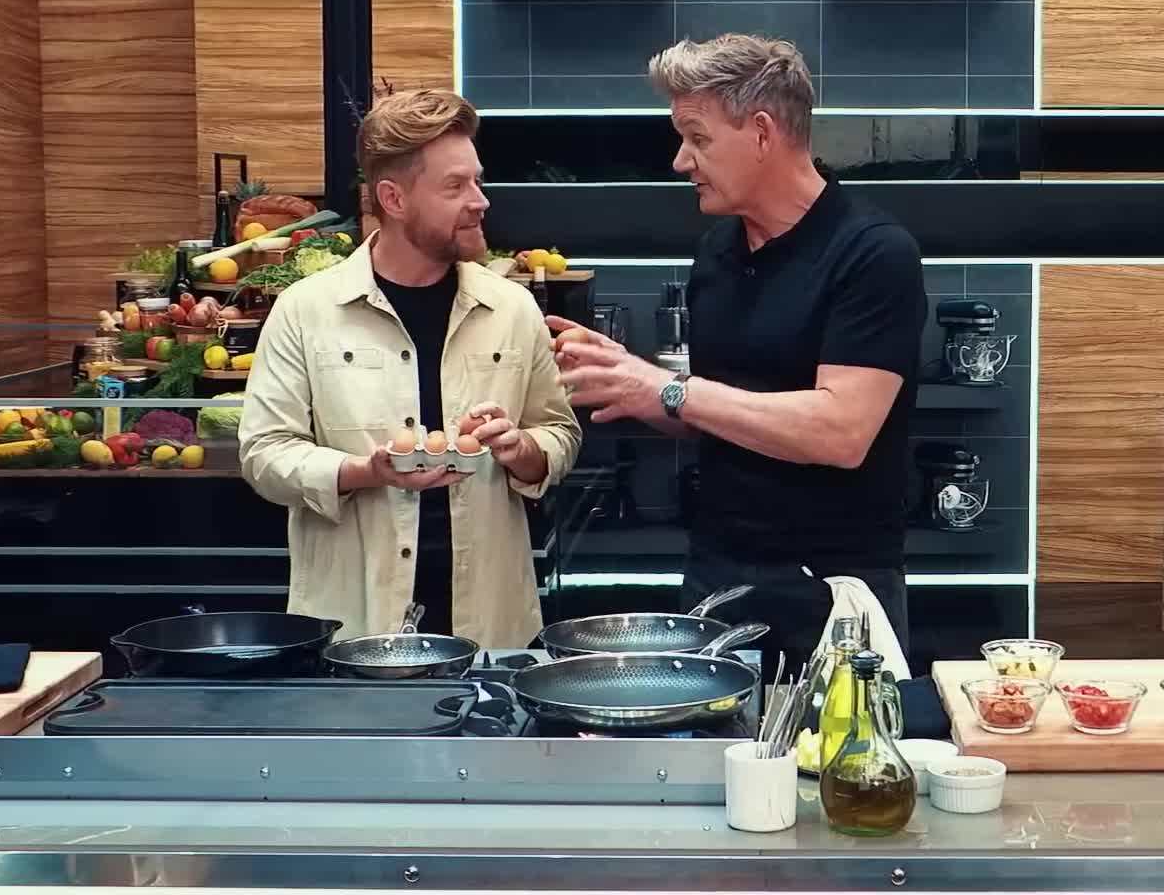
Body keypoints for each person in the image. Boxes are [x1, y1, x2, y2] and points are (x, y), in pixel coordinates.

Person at [551, 34, 926, 669]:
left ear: (761, 132)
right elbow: (721, 412)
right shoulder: (717, 254)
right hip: (717, 573)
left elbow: (841, 430)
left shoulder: (872, 253)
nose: (680, 161)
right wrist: (622, 380)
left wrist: (669, 388)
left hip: (836, 589)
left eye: (697, 138)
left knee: (839, 765)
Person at [239, 89, 581, 646]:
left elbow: (560, 432)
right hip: (355, 625)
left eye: (476, 180)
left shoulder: (513, 307)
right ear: (393, 199)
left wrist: (524, 451)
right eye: (455, 186)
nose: (480, 200)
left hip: (492, 625)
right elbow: (264, 453)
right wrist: (364, 472)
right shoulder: (305, 310)